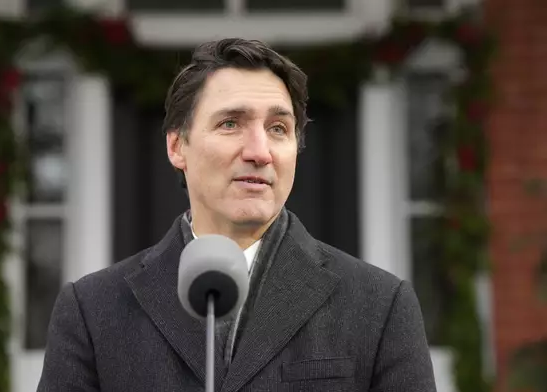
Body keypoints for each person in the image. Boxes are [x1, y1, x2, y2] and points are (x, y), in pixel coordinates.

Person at [37, 38, 437, 392]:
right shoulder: (93, 311)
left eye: (279, 128)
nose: (260, 151)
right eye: (231, 123)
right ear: (177, 146)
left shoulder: (381, 307)